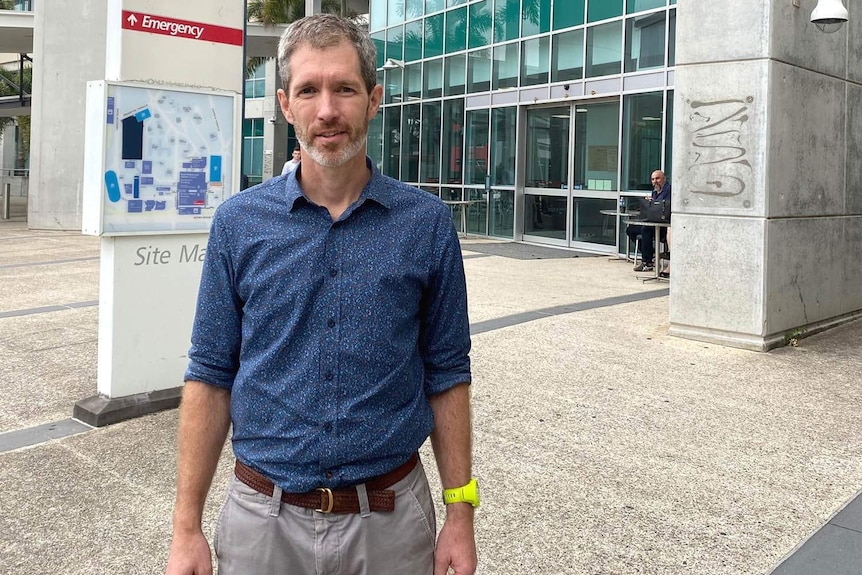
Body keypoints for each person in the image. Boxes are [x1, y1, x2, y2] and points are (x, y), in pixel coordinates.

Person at [165, 14, 477, 575]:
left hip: (391, 525)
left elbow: (448, 372)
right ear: (286, 105)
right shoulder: (239, 223)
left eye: (344, 89)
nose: (327, 110)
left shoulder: (426, 225)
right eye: (309, 90)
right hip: (263, 523)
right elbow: (210, 374)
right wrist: (186, 527)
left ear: (373, 99)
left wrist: (461, 514)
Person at [626, 169, 671, 272]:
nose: (655, 181)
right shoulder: (655, 191)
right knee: (630, 230)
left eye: (657, 178)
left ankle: (647, 262)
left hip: (665, 224)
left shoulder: (669, 190)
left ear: (664, 179)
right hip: (653, 221)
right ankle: (650, 253)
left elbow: (665, 205)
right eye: (653, 179)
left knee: (645, 229)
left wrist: (654, 202)